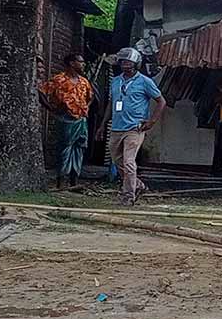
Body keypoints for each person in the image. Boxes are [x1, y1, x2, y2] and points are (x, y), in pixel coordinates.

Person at [108, 47, 166, 206]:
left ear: (136, 63)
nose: (124, 64)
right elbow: (110, 103)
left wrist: (151, 121)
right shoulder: (116, 81)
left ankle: (128, 195)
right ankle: (138, 185)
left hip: (135, 127)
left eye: (128, 62)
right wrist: (102, 124)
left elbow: (161, 101)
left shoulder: (145, 82)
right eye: (122, 62)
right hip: (116, 127)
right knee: (117, 160)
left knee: (128, 162)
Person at [38, 53, 95, 187]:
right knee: (64, 148)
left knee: (79, 148)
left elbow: (90, 96)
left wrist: (85, 107)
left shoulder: (83, 81)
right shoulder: (59, 79)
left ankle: (74, 180)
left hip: (81, 120)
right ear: (72, 63)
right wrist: (51, 108)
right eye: (80, 62)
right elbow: (41, 91)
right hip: (65, 119)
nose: (83, 64)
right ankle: (61, 180)